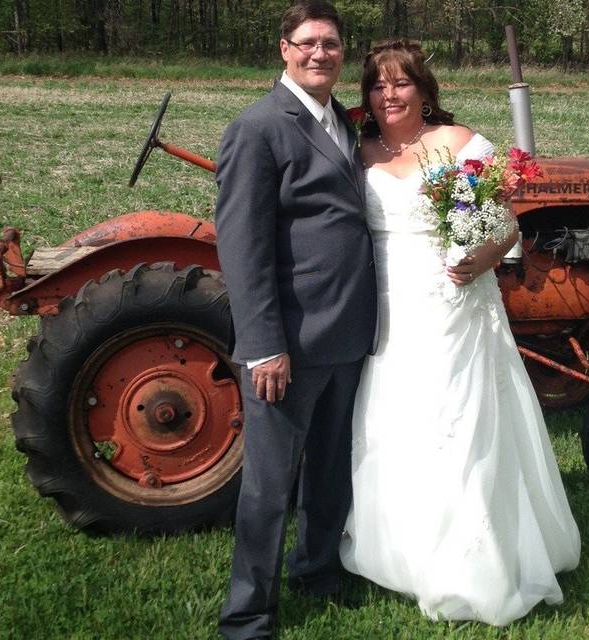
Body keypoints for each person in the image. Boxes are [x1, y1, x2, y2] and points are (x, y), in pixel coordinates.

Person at [338, 39, 581, 626]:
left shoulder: (459, 145)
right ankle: (399, 546)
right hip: (386, 308)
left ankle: (477, 560)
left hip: (452, 300)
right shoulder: (357, 151)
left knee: (459, 421)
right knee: (393, 421)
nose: (388, 95)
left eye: (400, 83)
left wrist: (482, 259)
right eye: (376, 84)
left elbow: (503, 229)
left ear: (423, 90)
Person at [212, 2, 376, 639]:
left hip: (348, 334)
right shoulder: (257, 128)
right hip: (289, 343)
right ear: (283, 49)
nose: (319, 54)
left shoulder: (340, 119)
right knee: (268, 486)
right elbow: (243, 246)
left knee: (332, 469)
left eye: (331, 44)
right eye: (307, 43)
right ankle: (248, 615)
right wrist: (262, 347)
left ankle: (319, 572)